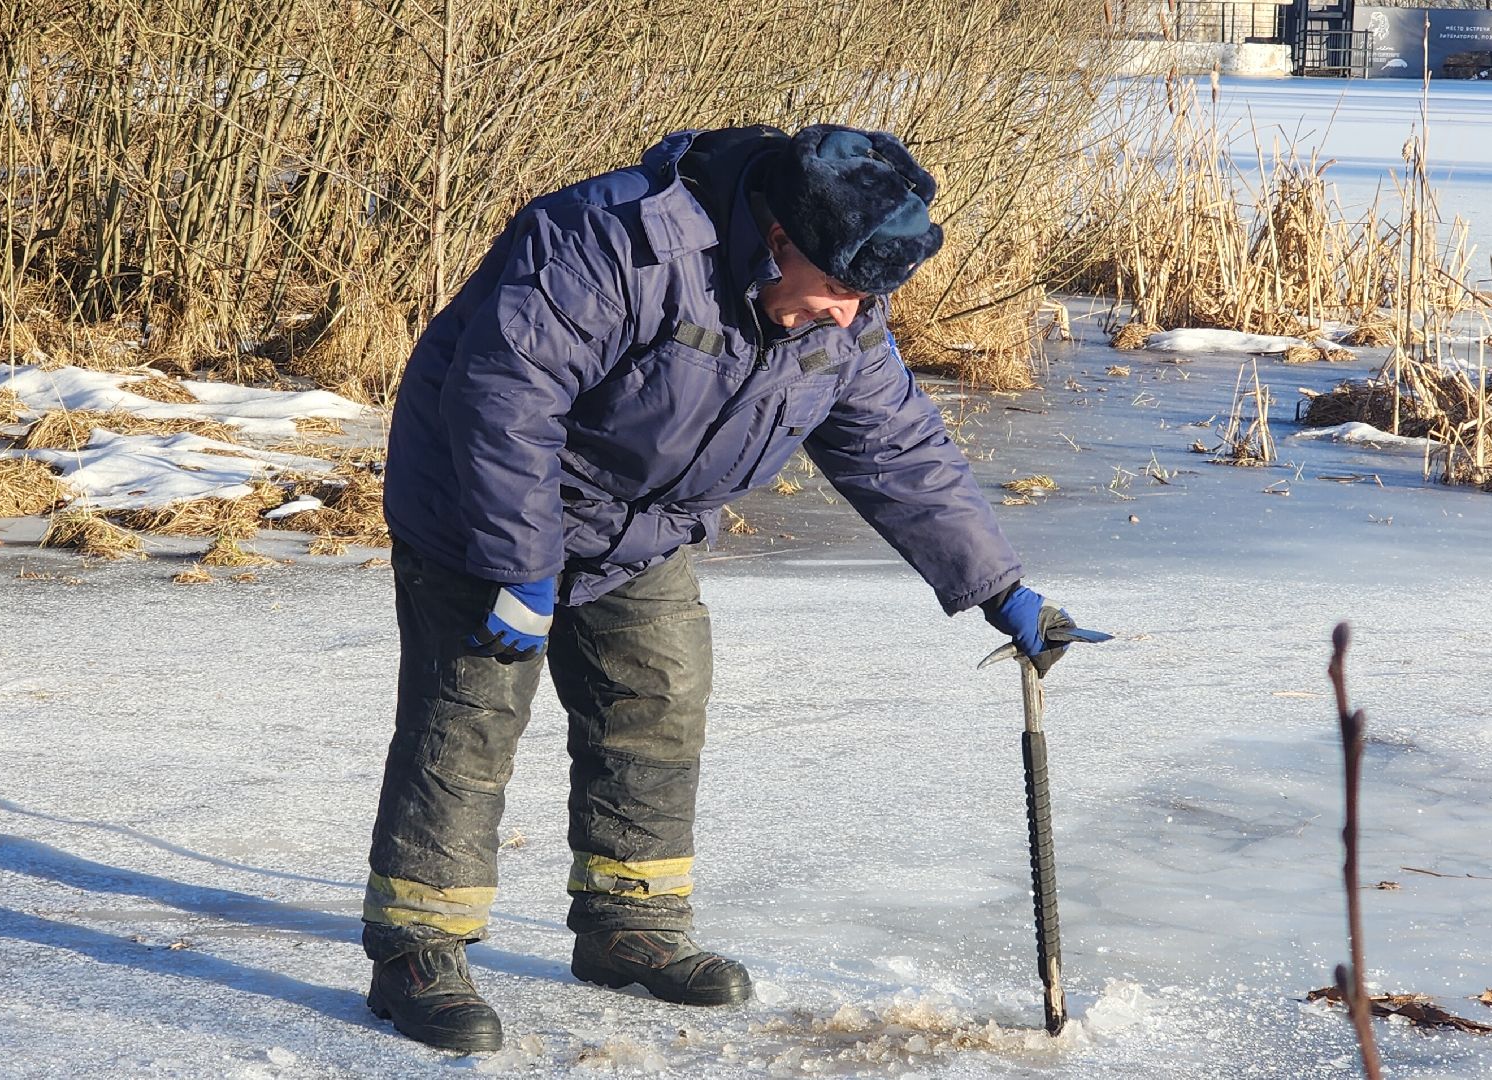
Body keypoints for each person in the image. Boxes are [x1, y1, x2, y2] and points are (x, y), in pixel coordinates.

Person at [363, 123, 1089, 1053]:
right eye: (836, 292)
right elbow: (504, 399)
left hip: (640, 529)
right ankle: (417, 949)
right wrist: (519, 564)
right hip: (483, 499)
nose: (846, 316)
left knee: (657, 695)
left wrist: (999, 587)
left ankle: (632, 926)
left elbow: (894, 448)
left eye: (863, 299)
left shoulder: (842, 312)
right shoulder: (612, 241)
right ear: (781, 238)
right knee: (470, 713)